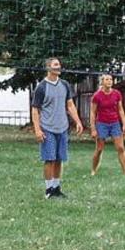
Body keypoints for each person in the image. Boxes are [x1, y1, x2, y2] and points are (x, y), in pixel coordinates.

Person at [32, 57, 84, 199]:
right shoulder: (42, 87)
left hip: (63, 128)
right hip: (47, 128)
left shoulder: (65, 85)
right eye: (55, 65)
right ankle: (48, 189)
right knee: (49, 159)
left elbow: (70, 105)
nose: (58, 67)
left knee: (60, 159)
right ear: (49, 68)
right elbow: (35, 110)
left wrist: (78, 121)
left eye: (59, 65)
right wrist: (37, 129)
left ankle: (56, 188)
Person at [90, 74, 125, 176]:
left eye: (111, 79)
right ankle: (93, 170)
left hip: (115, 123)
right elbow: (93, 113)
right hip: (101, 124)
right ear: (102, 82)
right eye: (107, 79)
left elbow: (120, 110)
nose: (109, 81)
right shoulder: (97, 96)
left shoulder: (117, 94)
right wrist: (93, 129)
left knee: (120, 147)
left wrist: (124, 124)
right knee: (99, 149)